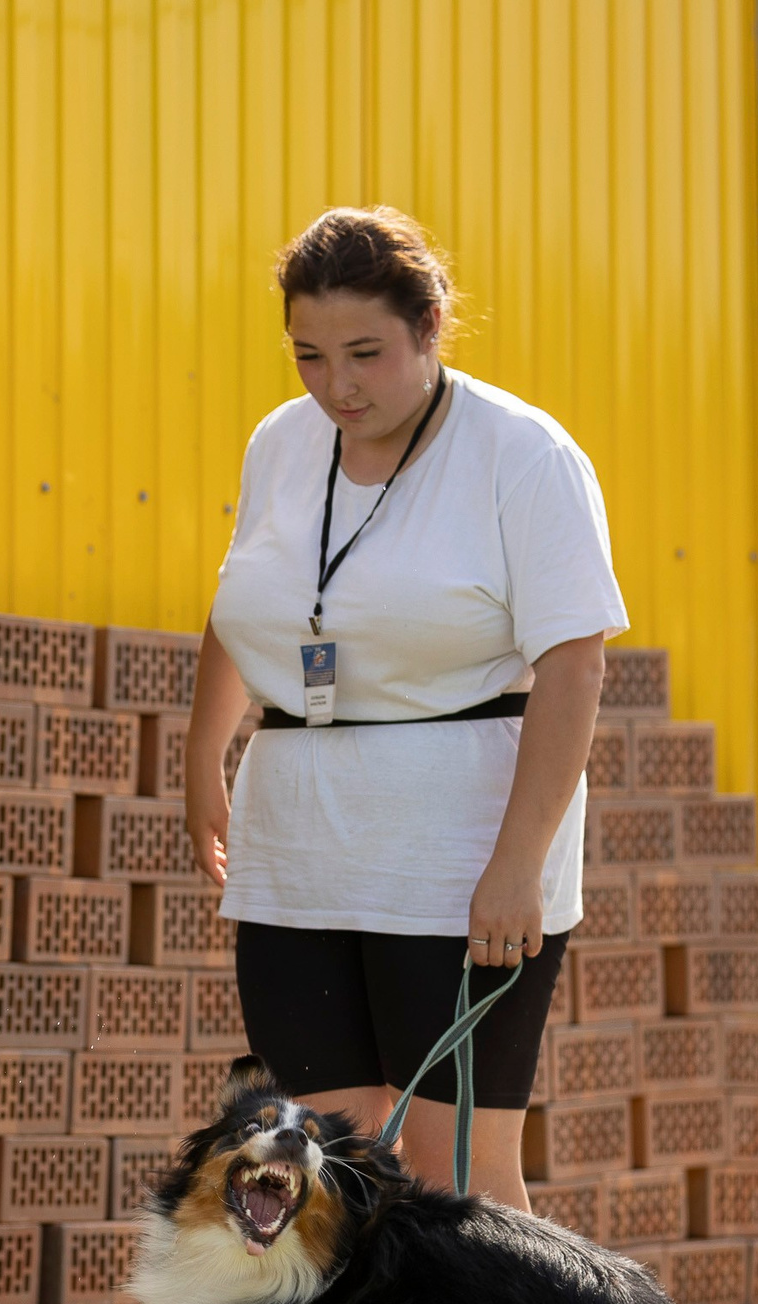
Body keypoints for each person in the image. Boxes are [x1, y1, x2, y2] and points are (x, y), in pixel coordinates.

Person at [183, 206, 625, 1208]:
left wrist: (518, 862)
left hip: (458, 855)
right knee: (330, 1173)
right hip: (296, 848)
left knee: (453, 1175)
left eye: (366, 354)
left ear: (430, 326)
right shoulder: (280, 446)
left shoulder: (524, 453)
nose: (336, 384)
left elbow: (574, 666)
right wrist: (202, 755)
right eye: (308, 356)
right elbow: (244, 601)